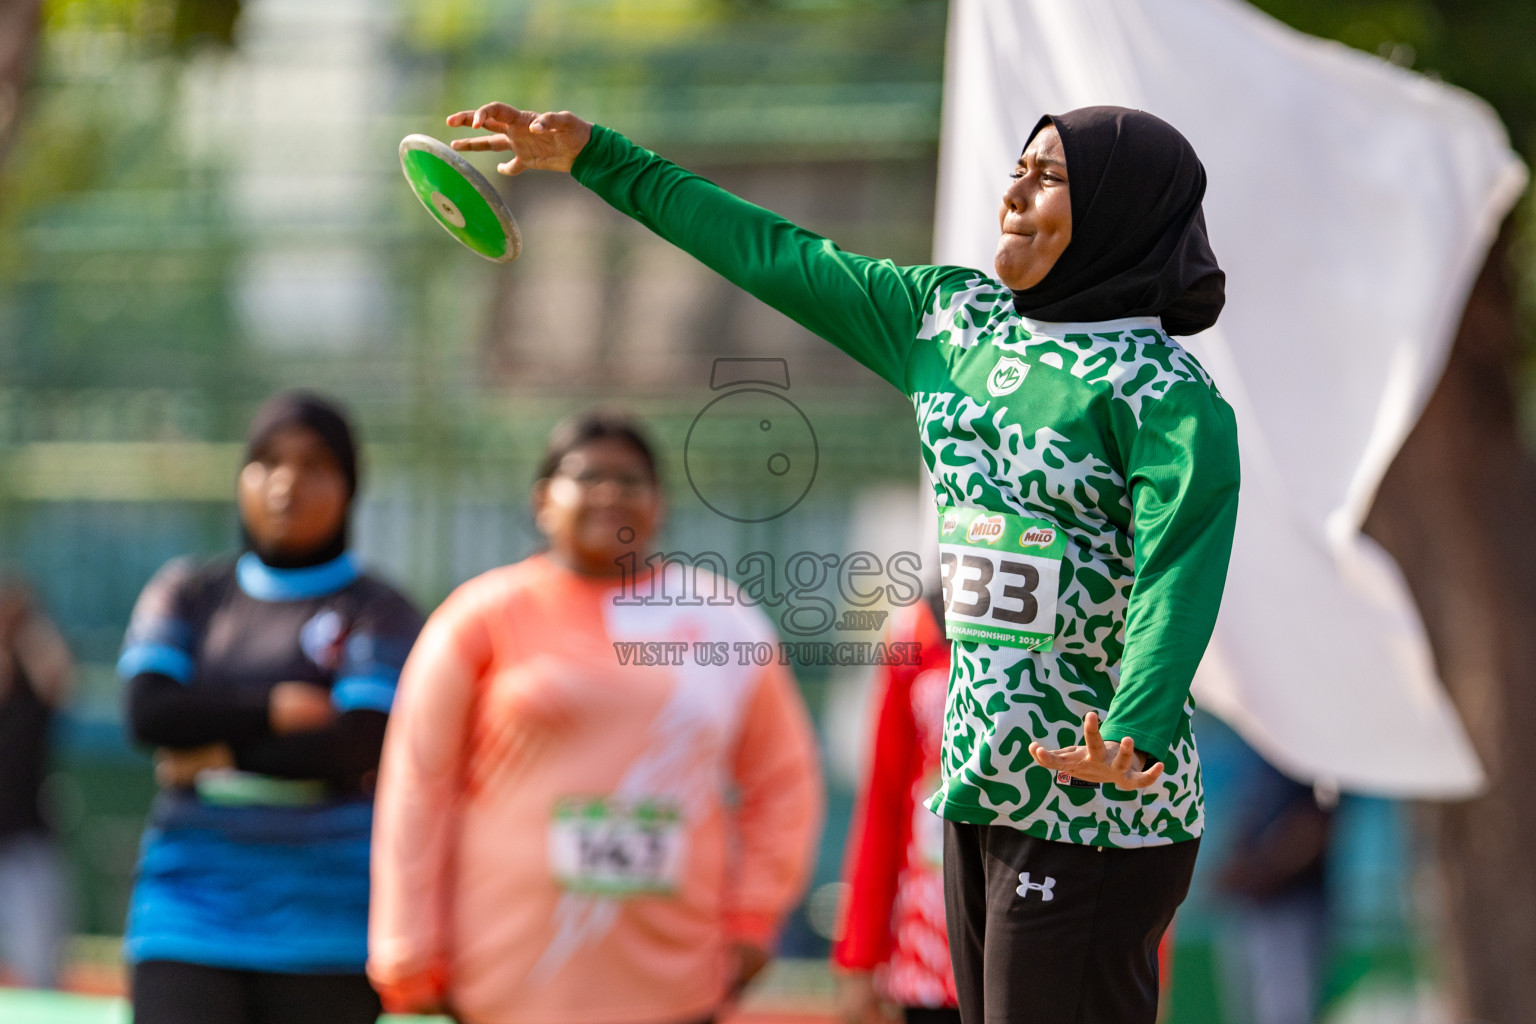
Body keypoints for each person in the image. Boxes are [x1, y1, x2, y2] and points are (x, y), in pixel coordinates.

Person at [440, 102, 1239, 1023]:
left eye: (1049, 176)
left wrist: (1133, 723)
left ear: (1122, 208)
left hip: (1098, 799)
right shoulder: (950, 321)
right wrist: (596, 157)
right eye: (1017, 168)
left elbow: (1182, 565)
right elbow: (770, 252)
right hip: (980, 789)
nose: (1013, 192)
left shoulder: (1168, 397)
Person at [368, 411, 823, 1024]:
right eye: (587, 475)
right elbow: (415, 786)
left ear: (659, 503)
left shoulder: (722, 620)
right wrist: (406, 949)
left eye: (631, 479)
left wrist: (754, 916)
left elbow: (784, 778)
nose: (610, 493)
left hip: (677, 983)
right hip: (507, 979)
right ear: (541, 500)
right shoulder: (479, 616)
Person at [116, 390, 424, 1024]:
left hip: (329, 924)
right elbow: (150, 714)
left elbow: (356, 742)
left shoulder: (380, 610)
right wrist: (275, 707)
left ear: (349, 486)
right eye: (268, 461)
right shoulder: (188, 591)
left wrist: (220, 750)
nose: (288, 482)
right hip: (188, 911)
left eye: (315, 464)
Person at [833, 591, 958, 1024]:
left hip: (1048, 929)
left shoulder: (1097, 599)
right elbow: (883, 804)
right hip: (931, 953)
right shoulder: (916, 628)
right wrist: (860, 957)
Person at [0, 580, 75, 989]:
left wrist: (25, 623)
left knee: (40, 975)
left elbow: (58, 676)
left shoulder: (32, 692)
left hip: (26, 849)